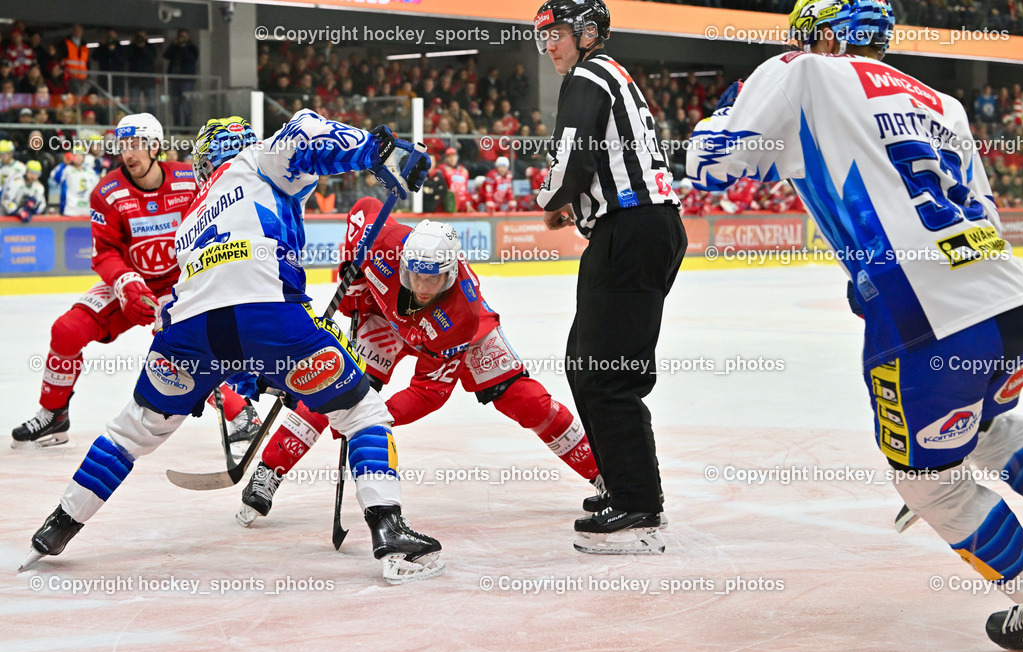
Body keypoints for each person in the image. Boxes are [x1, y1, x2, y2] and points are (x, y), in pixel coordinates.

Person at [687, 0, 1023, 650]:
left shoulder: (804, 72)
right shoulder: (944, 103)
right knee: (986, 430)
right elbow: (971, 211)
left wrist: (727, 110)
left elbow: (717, 164)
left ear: (821, 38)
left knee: (928, 482)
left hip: (924, 320)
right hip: (1007, 302)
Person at [20, 110, 442, 585]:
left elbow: (199, 306)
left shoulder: (189, 223)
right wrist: (382, 151)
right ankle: (388, 527)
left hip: (187, 335)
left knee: (130, 432)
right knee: (361, 413)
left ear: (203, 163)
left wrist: (245, 371)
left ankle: (58, 525)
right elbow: (306, 129)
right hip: (270, 318)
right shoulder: (257, 159)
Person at [234, 196, 602, 526]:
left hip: (459, 340)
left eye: (434, 280)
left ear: (452, 273)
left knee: (524, 400)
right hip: (385, 321)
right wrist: (352, 263)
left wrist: (372, 416)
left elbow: (428, 393)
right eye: (415, 277)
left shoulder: (462, 317)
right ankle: (269, 471)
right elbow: (364, 207)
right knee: (330, 382)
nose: (423, 288)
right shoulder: (387, 245)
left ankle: (605, 475)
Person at [533, 0, 685, 554]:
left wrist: (552, 198)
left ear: (587, 33)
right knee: (586, 362)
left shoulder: (589, 74)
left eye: (556, 34)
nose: (549, 45)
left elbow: (574, 156)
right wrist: (575, 201)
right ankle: (624, 484)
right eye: (542, 37)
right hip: (637, 229)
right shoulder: (611, 74)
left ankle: (639, 504)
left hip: (632, 232)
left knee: (607, 371)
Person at [10, 114, 257, 449]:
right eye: (123, 145)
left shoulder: (189, 178)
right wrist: (125, 283)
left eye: (137, 144)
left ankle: (242, 414)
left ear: (155, 146)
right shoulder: (107, 191)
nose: (128, 153)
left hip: (183, 284)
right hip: (132, 285)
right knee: (66, 330)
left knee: (183, 351)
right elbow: (105, 251)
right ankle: (54, 414)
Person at [164, 29, 198, 128]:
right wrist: (173, 44)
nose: (182, 39)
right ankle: (177, 126)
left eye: (184, 36)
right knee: (175, 104)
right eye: (180, 36)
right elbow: (166, 55)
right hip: (174, 80)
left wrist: (184, 47)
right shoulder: (175, 48)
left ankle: (187, 127)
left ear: (188, 37)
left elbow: (191, 59)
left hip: (187, 80)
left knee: (185, 103)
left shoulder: (192, 48)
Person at [54, 151, 99, 216]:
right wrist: (64, 164)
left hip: (87, 211)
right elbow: (56, 178)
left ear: (84, 157)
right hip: (70, 211)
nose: (78, 157)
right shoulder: (67, 169)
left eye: (80, 155)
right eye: (75, 155)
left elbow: (97, 191)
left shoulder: (91, 172)